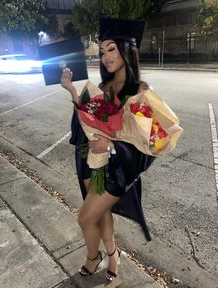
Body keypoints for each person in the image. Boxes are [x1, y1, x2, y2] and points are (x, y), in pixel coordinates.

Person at [61, 17, 155, 282]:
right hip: (93, 163)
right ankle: (113, 254)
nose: (105, 56)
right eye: (102, 51)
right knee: (100, 214)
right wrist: (72, 93)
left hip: (117, 169)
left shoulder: (140, 92)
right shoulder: (102, 88)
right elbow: (86, 119)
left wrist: (112, 145)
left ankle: (94, 257)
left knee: (85, 218)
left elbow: (148, 144)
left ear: (127, 49)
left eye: (111, 49)